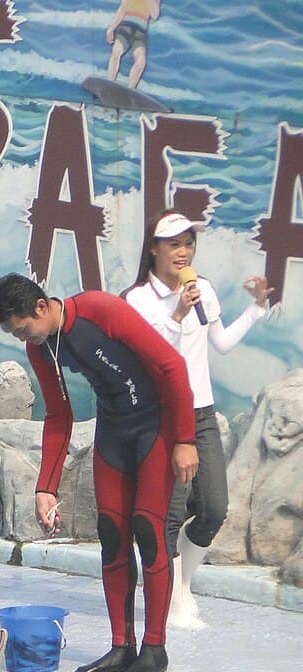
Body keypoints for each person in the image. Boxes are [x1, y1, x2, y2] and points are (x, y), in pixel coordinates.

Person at [0, 273, 197, 672]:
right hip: (114, 430)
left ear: (41, 307)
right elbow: (58, 415)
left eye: (21, 327)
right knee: (111, 533)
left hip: (156, 425)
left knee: (148, 532)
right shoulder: (41, 349)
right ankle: (121, 646)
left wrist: (185, 439)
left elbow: (172, 366)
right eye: (12, 332)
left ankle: (155, 647)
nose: (21, 337)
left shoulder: (101, 310)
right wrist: (46, 486)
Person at [122, 210, 274, 630]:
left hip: (201, 412)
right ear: (153, 247)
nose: (183, 251)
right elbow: (151, 358)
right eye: (173, 243)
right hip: (162, 415)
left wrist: (256, 309)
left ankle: (183, 585)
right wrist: (176, 314)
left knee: (213, 507)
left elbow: (220, 342)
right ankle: (170, 599)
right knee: (169, 512)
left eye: (188, 243)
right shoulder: (137, 300)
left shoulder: (201, 287)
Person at [106, 0, 160, 89]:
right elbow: (122, 9)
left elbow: (155, 15)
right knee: (116, 51)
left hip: (140, 32)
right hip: (126, 26)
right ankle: (109, 84)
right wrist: (111, 29)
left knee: (141, 63)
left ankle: (130, 91)